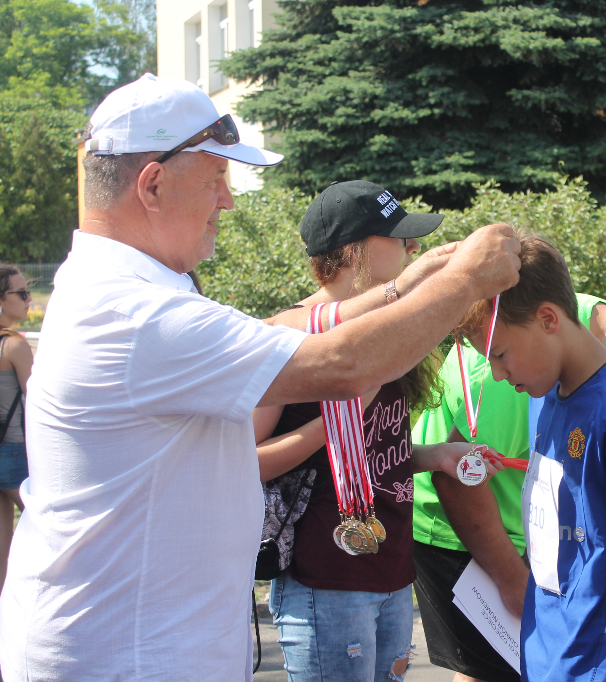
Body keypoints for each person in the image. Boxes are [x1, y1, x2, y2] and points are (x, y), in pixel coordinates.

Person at [0, 73, 521, 682]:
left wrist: (404, 286)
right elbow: (343, 365)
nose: (227, 200)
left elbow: (276, 327)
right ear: (153, 183)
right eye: (216, 178)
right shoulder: (134, 313)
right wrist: (465, 280)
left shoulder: (129, 292)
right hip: (126, 657)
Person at [252, 180, 504, 682]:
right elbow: (246, 461)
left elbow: (375, 449)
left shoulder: (383, 331)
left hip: (390, 568)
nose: (412, 248)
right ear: (353, 252)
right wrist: (333, 418)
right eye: (398, 237)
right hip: (324, 577)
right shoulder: (288, 336)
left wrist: (435, 455)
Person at [412, 289, 606, 682]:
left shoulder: (601, 391)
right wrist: (514, 581)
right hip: (461, 538)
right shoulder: (536, 371)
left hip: (582, 636)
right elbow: (457, 478)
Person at [0, 266, 32, 593]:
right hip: (14, 453)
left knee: (2, 549)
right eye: (21, 293)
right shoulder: (14, 347)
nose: (28, 299)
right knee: (52, 533)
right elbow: (39, 403)